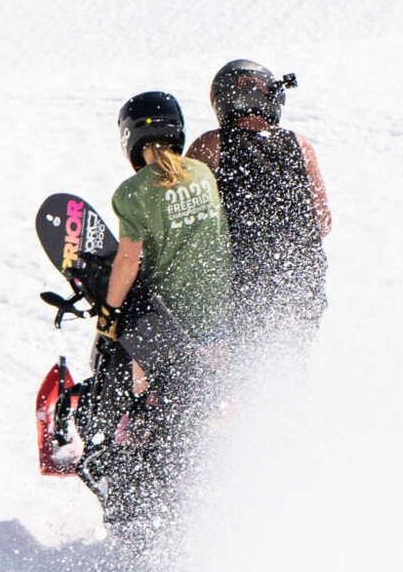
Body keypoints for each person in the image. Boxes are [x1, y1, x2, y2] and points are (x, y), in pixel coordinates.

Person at [95, 90, 233, 521]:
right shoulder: (202, 173)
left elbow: (129, 260)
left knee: (150, 394)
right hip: (217, 315)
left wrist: (109, 315)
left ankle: (138, 470)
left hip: (172, 323)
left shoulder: (132, 192)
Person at [188, 60, 330, 346]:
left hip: (240, 286)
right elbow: (323, 223)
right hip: (300, 284)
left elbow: (182, 212)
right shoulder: (301, 147)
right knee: (288, 366)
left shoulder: (212, 144)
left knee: (231, 374)